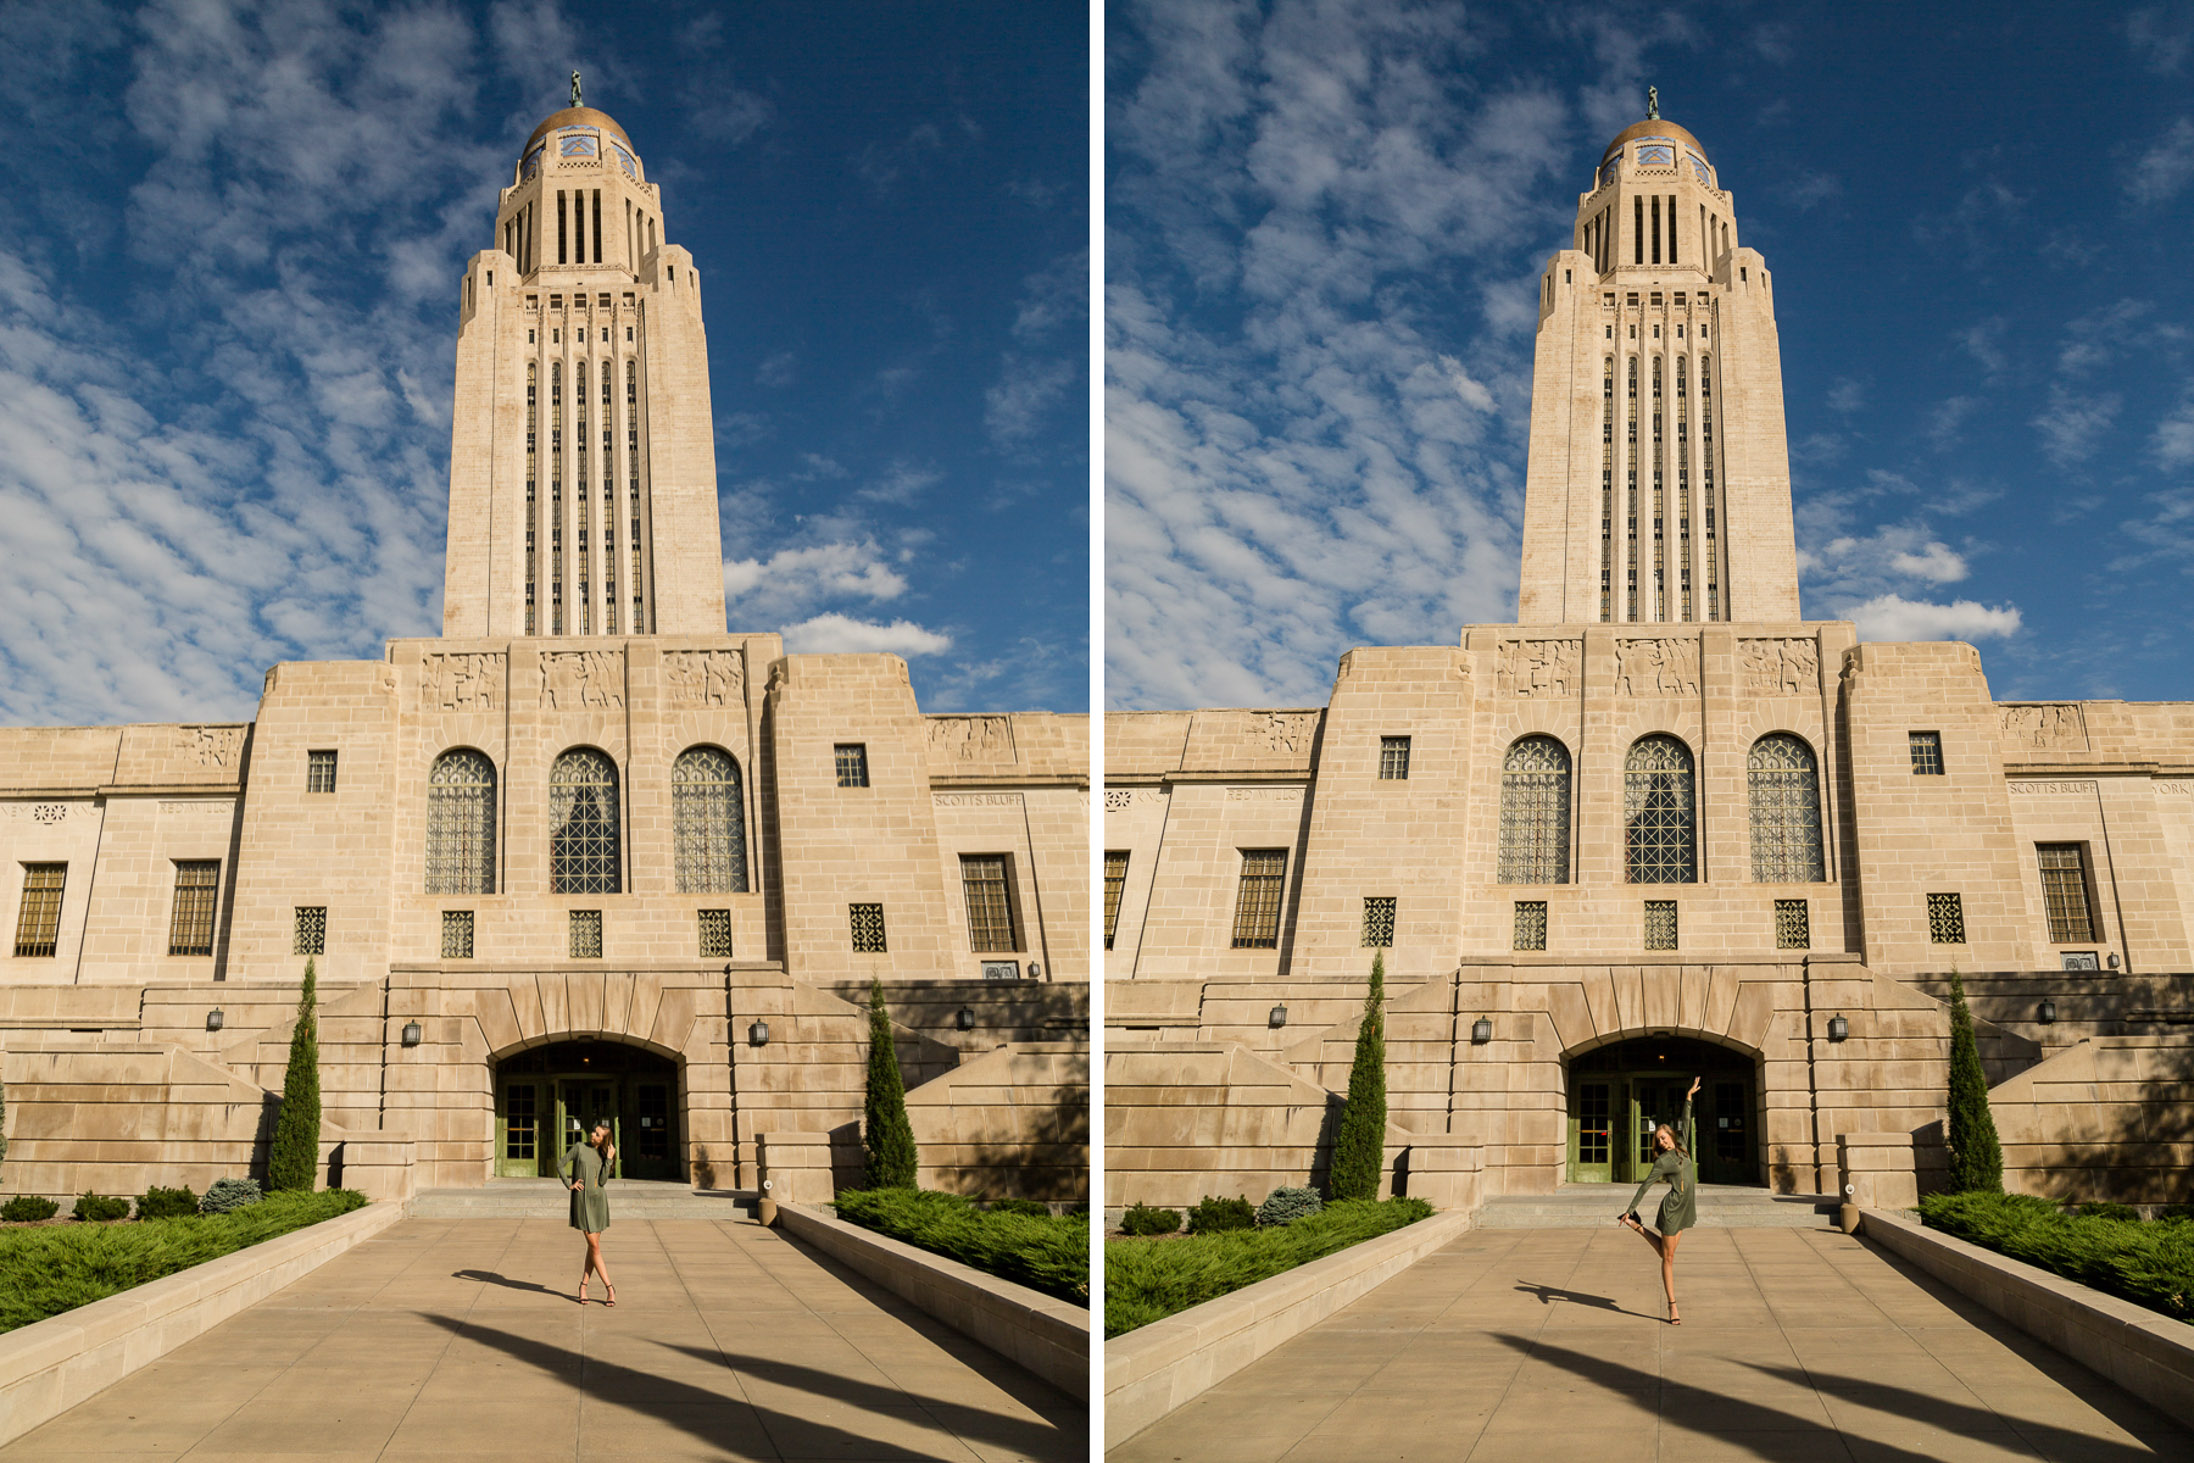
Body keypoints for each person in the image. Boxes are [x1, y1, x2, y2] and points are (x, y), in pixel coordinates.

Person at [1618, 1075, 1700, 1324]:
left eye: (1664, 1137)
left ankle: (1639, 1228)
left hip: (1687, 1208)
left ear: (1671, 1136)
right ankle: (1672, 1306)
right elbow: (1645, 1186)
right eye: (1658, 1140)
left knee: (1667, 1253)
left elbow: (1686, 1122)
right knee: (1668, 1258)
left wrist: (1688, 1097)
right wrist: (1630, 1209)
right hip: (1672, 1208)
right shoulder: (1662, 1161)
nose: (1662, 1142)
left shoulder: (1684, 1147)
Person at [561, 1118, 616, 1306]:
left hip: (598, 1201)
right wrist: (570, 1184)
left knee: (593, 1249)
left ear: (603, 1140)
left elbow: (602, 1182)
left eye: (597, 1134)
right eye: (593, 1132)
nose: (592, 1135)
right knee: (595, 1247)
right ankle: (610, 1288)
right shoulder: (579, 1147)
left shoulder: (603, 1154)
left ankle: (583, 1286)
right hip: (582, 1201)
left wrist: (609, 1160)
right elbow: (560, 1164)